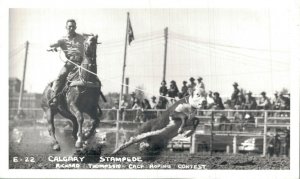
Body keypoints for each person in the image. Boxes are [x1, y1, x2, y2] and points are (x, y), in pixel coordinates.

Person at [48, 19, 85, 107]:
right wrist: (53, 47)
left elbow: (91, 39)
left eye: (73, 26)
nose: (71, 28)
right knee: (61, 76)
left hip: (83, 62)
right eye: (69, 26)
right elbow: (52, 44)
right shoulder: (62, 39)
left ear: (76, 27)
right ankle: (55, 97)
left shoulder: (82, 37)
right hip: (71, 62)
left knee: (92, 76)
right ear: (66, 27)